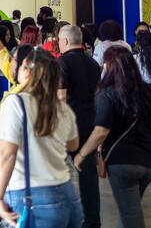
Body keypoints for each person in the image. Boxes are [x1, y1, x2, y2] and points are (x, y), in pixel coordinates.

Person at [74, 46, 151, 228]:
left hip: (122, 163)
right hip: (147, 162)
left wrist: (81, 155)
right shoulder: (149, 92)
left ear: (108, 65)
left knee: (131, 215)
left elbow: (101, 132)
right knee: (129, 209)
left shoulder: (108, 93)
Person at [0, 49, 81, 227]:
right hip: (68, 193)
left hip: (32, 197)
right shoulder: (62, 108)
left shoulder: (15, 103)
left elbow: (7, 153)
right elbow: (73, 144)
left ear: (28, 71)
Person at [56, 25, 101, 228]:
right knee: (88, 174)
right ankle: (92, 221)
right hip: (90, 123)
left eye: (59, 39)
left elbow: (61, 97)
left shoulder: (63, 62)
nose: (57, 42)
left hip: (69, 128)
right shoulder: (92, 63)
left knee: (56, 172)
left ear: (65, 41)